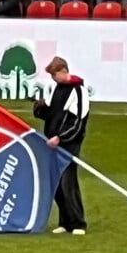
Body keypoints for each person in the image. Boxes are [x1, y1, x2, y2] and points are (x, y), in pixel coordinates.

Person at [33, 57, 90, 235]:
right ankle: (65, 222)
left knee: (68, 181)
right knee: (56, 183)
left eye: (54, 75)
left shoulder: (79, 90)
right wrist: (40, 108)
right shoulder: (58, 89)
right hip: (52, 142)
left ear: (64, 71)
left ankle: (78, 222)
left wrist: (61, 137)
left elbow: (78, 121)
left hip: (69, 142)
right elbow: (52, 115)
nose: (52, 78)